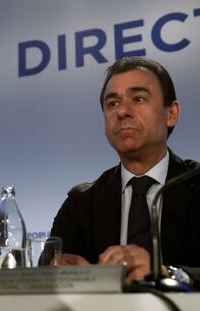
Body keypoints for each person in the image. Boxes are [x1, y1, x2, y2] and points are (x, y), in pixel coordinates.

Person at [50, 57, 200, 285]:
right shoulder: (81, 203)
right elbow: (49, 271)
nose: (122, 112)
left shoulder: (196, 183)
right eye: (112, 104)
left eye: (138, 99)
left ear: (171, 114)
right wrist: (61, 273)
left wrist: (167, 274)